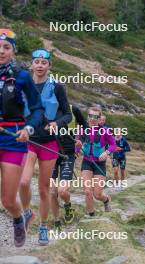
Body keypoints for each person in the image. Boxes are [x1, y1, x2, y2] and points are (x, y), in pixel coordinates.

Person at [19, 48, 72, 245]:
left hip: (49, 143)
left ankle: (43, 227)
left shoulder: (57, 87)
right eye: (37, 62)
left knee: (43, 189)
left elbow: (68, 114)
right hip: (29, 141)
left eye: (44, 62)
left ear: (49, 65)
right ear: (31, 64)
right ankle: (26, 213)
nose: (40, 65)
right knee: (24, 182)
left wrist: (56, 124)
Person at [0, 29, 44, 247]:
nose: (1, 51)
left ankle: (20, 217)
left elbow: (37, 109)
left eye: (6, 47)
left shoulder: (22, 76)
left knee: (8, 200)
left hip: (13, 139)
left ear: (13, 50)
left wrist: (28, 129)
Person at [50, 104, 87, 228]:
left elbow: (85, 126)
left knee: (62, 191)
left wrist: (81, 140)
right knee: (51, 191)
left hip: (68, 154)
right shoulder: (44, 108)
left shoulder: (73, 109)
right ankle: (56, 222)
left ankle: (67, 206)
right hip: (50, 155)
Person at [75, 107, 116, 217]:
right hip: (87, 162)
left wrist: (106, 153)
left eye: (96, 117)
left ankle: (106, 200)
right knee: (88, 191)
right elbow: (78, 144)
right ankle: (91, 215)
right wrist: (77, 150)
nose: (93, 119)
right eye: (90, 116)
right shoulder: (82, 129)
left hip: (99, 164)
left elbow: (113, 145)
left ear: (99, 119)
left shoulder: (105, 131)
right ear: (87, 117)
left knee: (97, 194)